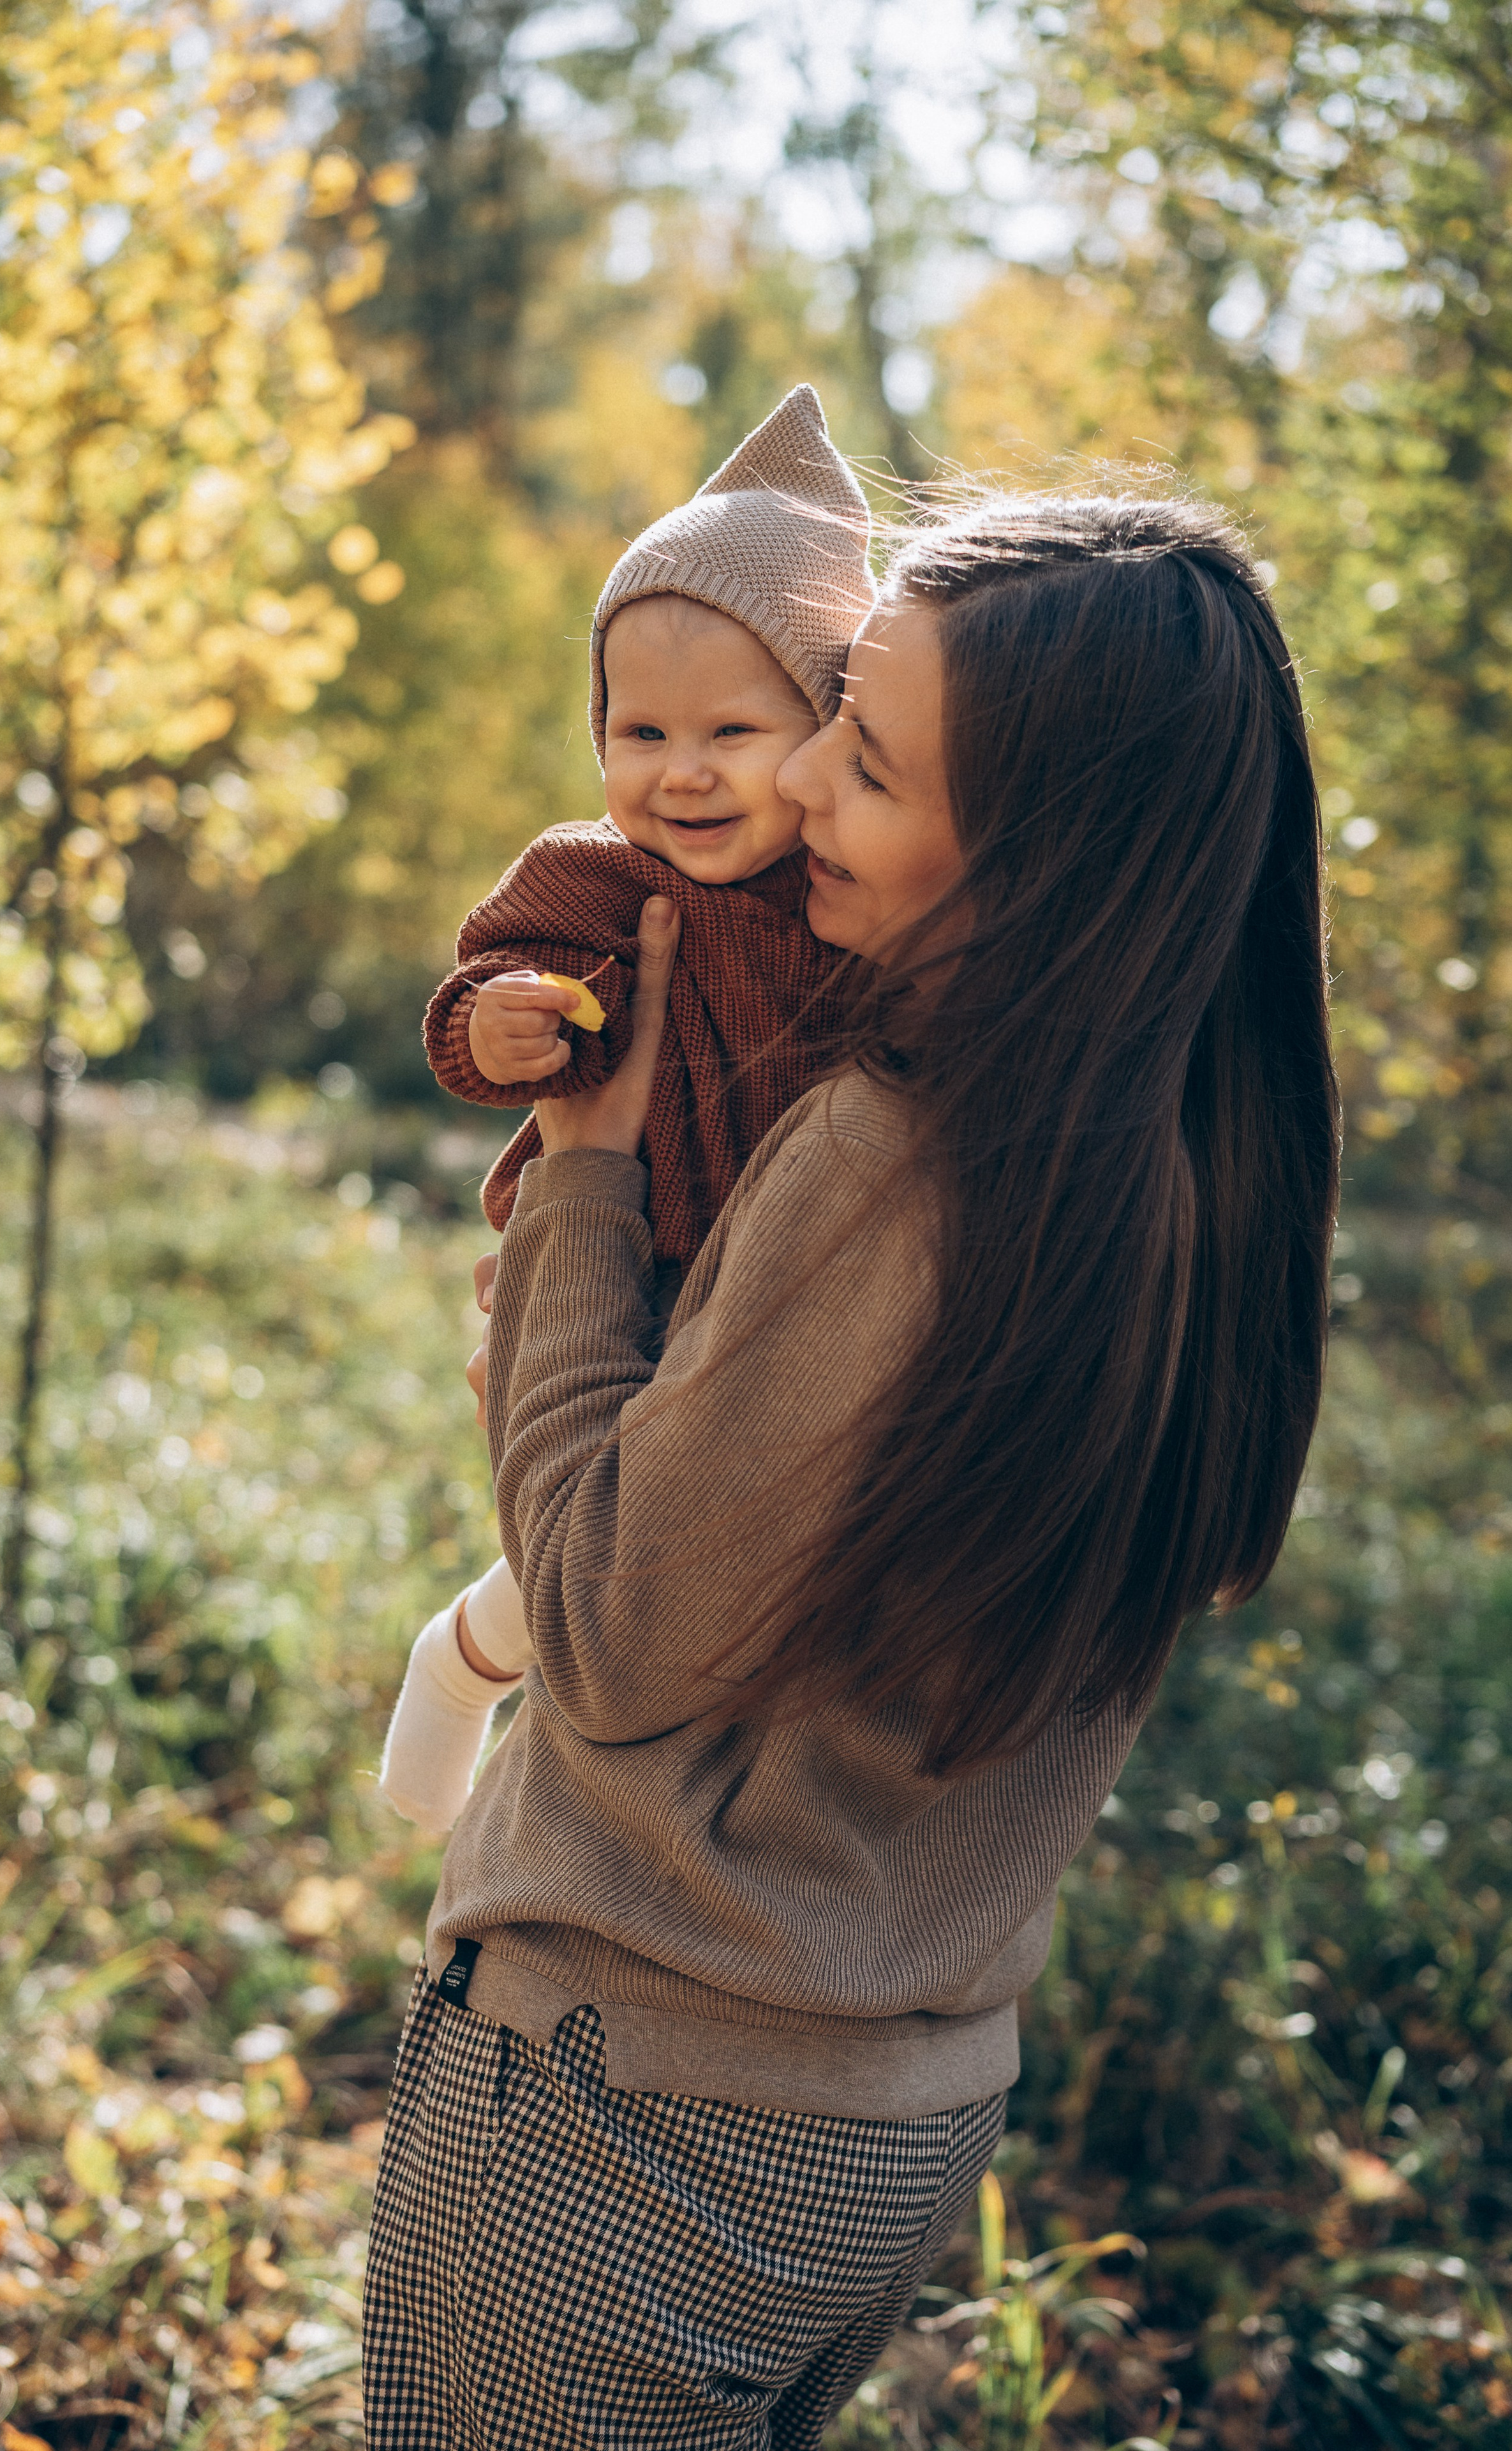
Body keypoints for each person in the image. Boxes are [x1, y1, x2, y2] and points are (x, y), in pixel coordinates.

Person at [361, 490, 1340, 2451]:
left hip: (627, 2110)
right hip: (896, 2121)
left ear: (1039, 860)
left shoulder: (902, 1158)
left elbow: (617, 1632)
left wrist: (585, 1182)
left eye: (865, 756)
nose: (795, 778)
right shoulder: (1202, 1164)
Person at [380, 385, 874, 1841]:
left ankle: (508, 1669)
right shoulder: (598, 875)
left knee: (748, 1544)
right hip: (637, 1255)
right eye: (638, 729)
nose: (681, 770)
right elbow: (480, 990)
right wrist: (497, 1026)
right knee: (610, 1526)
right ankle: (467, 1663)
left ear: (830, 727)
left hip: (788, 1275)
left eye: (733, 726)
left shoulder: (852, 896)